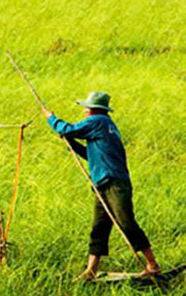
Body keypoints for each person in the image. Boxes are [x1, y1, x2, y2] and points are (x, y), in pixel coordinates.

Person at [44, 91, 160, 279]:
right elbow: (91, 156)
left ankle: (152, 264)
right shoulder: (106, 125)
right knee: (99, 227)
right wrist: (71, 144)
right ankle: (91, 270)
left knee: (126, 222)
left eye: (87, 108)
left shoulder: (98, 121)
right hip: (103, 183)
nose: (85, 112)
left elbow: (67, 128)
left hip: (114, 183)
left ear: (94, 110)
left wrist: (51, 119)